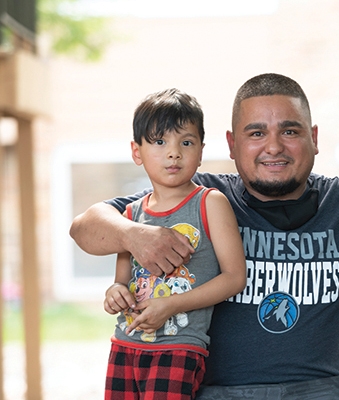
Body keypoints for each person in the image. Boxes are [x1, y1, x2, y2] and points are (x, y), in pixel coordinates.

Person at [70, 73, 339, 399]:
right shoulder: (199, 197)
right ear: (232, 144)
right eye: (256, 133)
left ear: (313, 139)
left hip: (324, 389)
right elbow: (85, 228)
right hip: (223, 392)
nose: (273, 146)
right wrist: (133, 235)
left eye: (290, 131)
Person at [102, 88, 247, 399]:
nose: (173, 153)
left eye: (186, 142)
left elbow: (235, 278)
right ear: (136, 151)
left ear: (201, 149)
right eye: (159, 141)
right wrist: (115, 293)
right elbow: (121, 281)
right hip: (125, 343)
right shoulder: (130, 215)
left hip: (178, 348)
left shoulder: (210, 203)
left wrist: (169, 305)